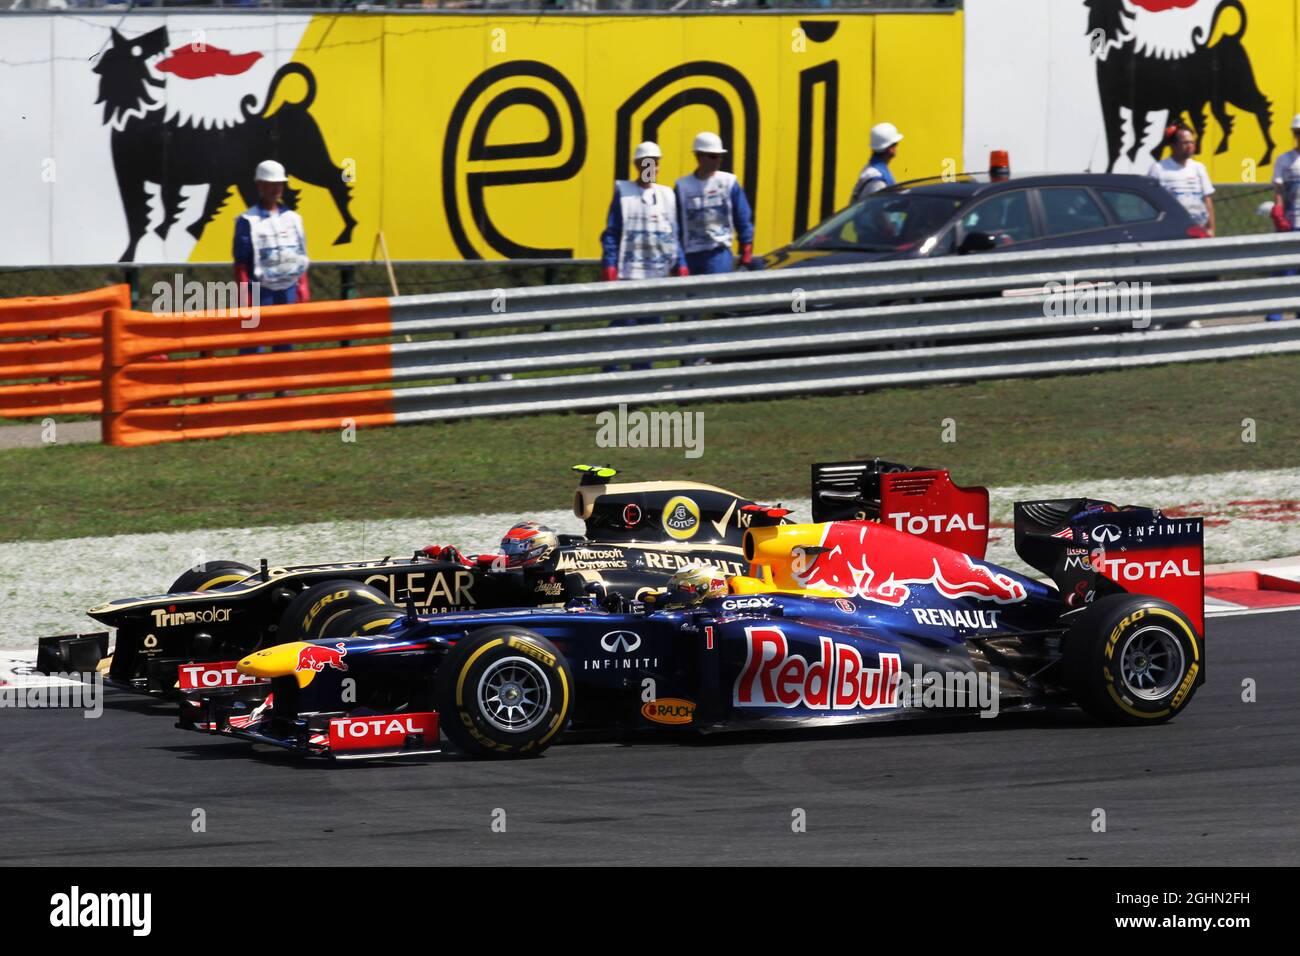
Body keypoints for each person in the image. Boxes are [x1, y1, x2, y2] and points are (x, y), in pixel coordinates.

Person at [600, 141, 688, 281]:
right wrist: (610, 264)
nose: (651, 168)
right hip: (630, 274)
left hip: (660, 273)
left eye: (655, 164)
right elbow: (612, 232)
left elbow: (673, 236)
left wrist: (680, 263)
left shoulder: (667, 195)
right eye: (647, 164)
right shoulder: (623, 193)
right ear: (637, 165)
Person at [674, 132, 755, 273]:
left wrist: (746, 253)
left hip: (719, 254)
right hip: (691, 256)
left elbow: (743, 219)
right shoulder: (682, 187)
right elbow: (675, 228)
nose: (718, 160)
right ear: (698, 156)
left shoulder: (728, 183)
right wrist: (680, 262)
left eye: (720, 156)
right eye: (713, 156)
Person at [233, 159, 311, 305]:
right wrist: (245, 296)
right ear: (260, 185)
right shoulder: (248, 221)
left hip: (290, 291)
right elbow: (241, 265)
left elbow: (300, 256)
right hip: (261, 293)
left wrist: (303, 286)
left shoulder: (293, 219)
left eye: (279, 184)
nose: (276, 189)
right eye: (271, 185)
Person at [1147, 125, 1215, 236]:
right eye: (1185, 143)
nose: (1190, 146)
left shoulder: (1199, 167)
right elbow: (1150, 202)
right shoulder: (1158, 168)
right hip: (1170, 230)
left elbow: (1207, 198)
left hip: (1197, 229)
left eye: (1191, 142)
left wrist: (1210, 229)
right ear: (1173, 145)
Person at [1266, 114, 1300, 321]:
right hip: (1290, 224)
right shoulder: (1284, 159)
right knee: (1284, 271)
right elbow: (1278, 190)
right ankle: (1275, 317)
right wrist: (1278, 212)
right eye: (1297, 133)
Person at [850, 122, 903, 204]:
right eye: (895, 144)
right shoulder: (878, 180)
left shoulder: (871, 170)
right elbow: (878, 211)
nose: (896, 147)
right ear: (890, 149)